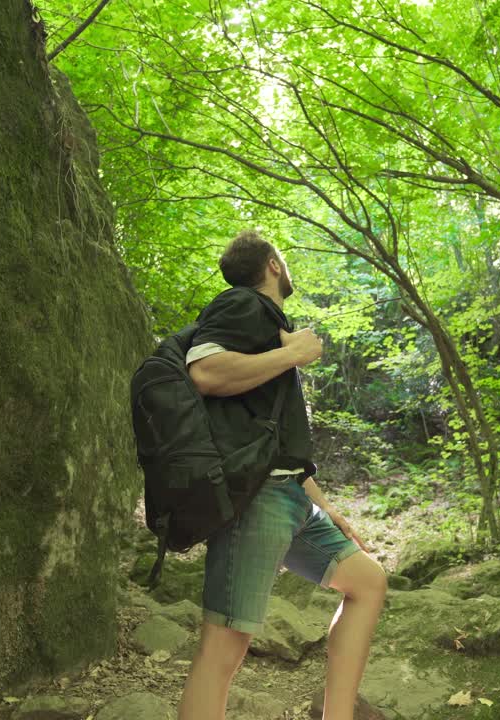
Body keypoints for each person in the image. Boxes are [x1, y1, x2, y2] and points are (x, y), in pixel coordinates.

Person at [177, 229, 388, 720]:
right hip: (256, 501)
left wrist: (324, 504)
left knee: (368, 582)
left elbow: (272, 442)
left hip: (288, 493)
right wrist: (294, 353)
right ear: (273, 263)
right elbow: (205, 373)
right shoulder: (241, 304)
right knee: (224, 646)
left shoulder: (268, 321)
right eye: (284, 259)